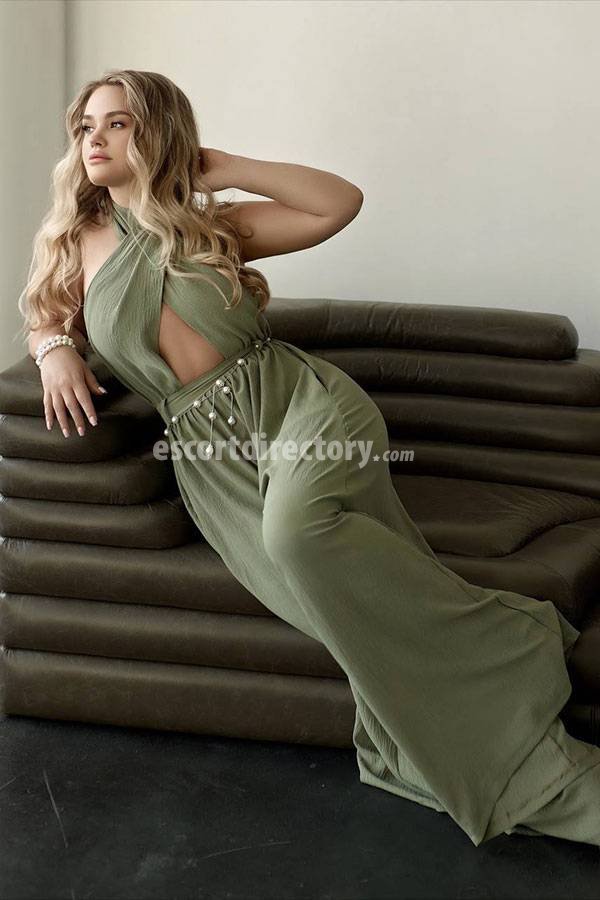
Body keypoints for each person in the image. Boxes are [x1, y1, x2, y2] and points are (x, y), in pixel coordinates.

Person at [19, 69, 600, 849]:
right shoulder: (75, 241)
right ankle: (513, 640)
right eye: (86, 125)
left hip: (299, 405)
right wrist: (53, 348)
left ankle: (520, 712)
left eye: (118, 123)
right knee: (314, 589)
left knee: (298, 534)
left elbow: (338, 202)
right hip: (212, 458)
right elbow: (44, 314)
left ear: (155, 133)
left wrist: (223, 167)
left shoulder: (211, 227)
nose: (95, 138)